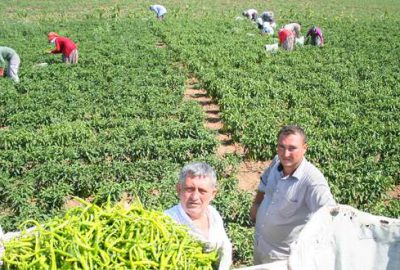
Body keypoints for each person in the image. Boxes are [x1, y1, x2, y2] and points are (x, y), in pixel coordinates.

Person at [250, 125, 336, 265]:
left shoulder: (312, 180)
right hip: (260, 244)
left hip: (282, 259)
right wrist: (256, 204)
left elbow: (330, 214)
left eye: (292, 148)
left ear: (304, 148)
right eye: (281, 147)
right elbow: (264, 181)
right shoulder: (277, 161)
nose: (285, 154)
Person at [164, 162, 232, 270]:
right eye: (189, 189)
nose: (195, 197)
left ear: (213, 194)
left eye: (202, 191)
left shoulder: (213, 215)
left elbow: (225, 249)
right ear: (178, 189)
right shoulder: (167, 221)